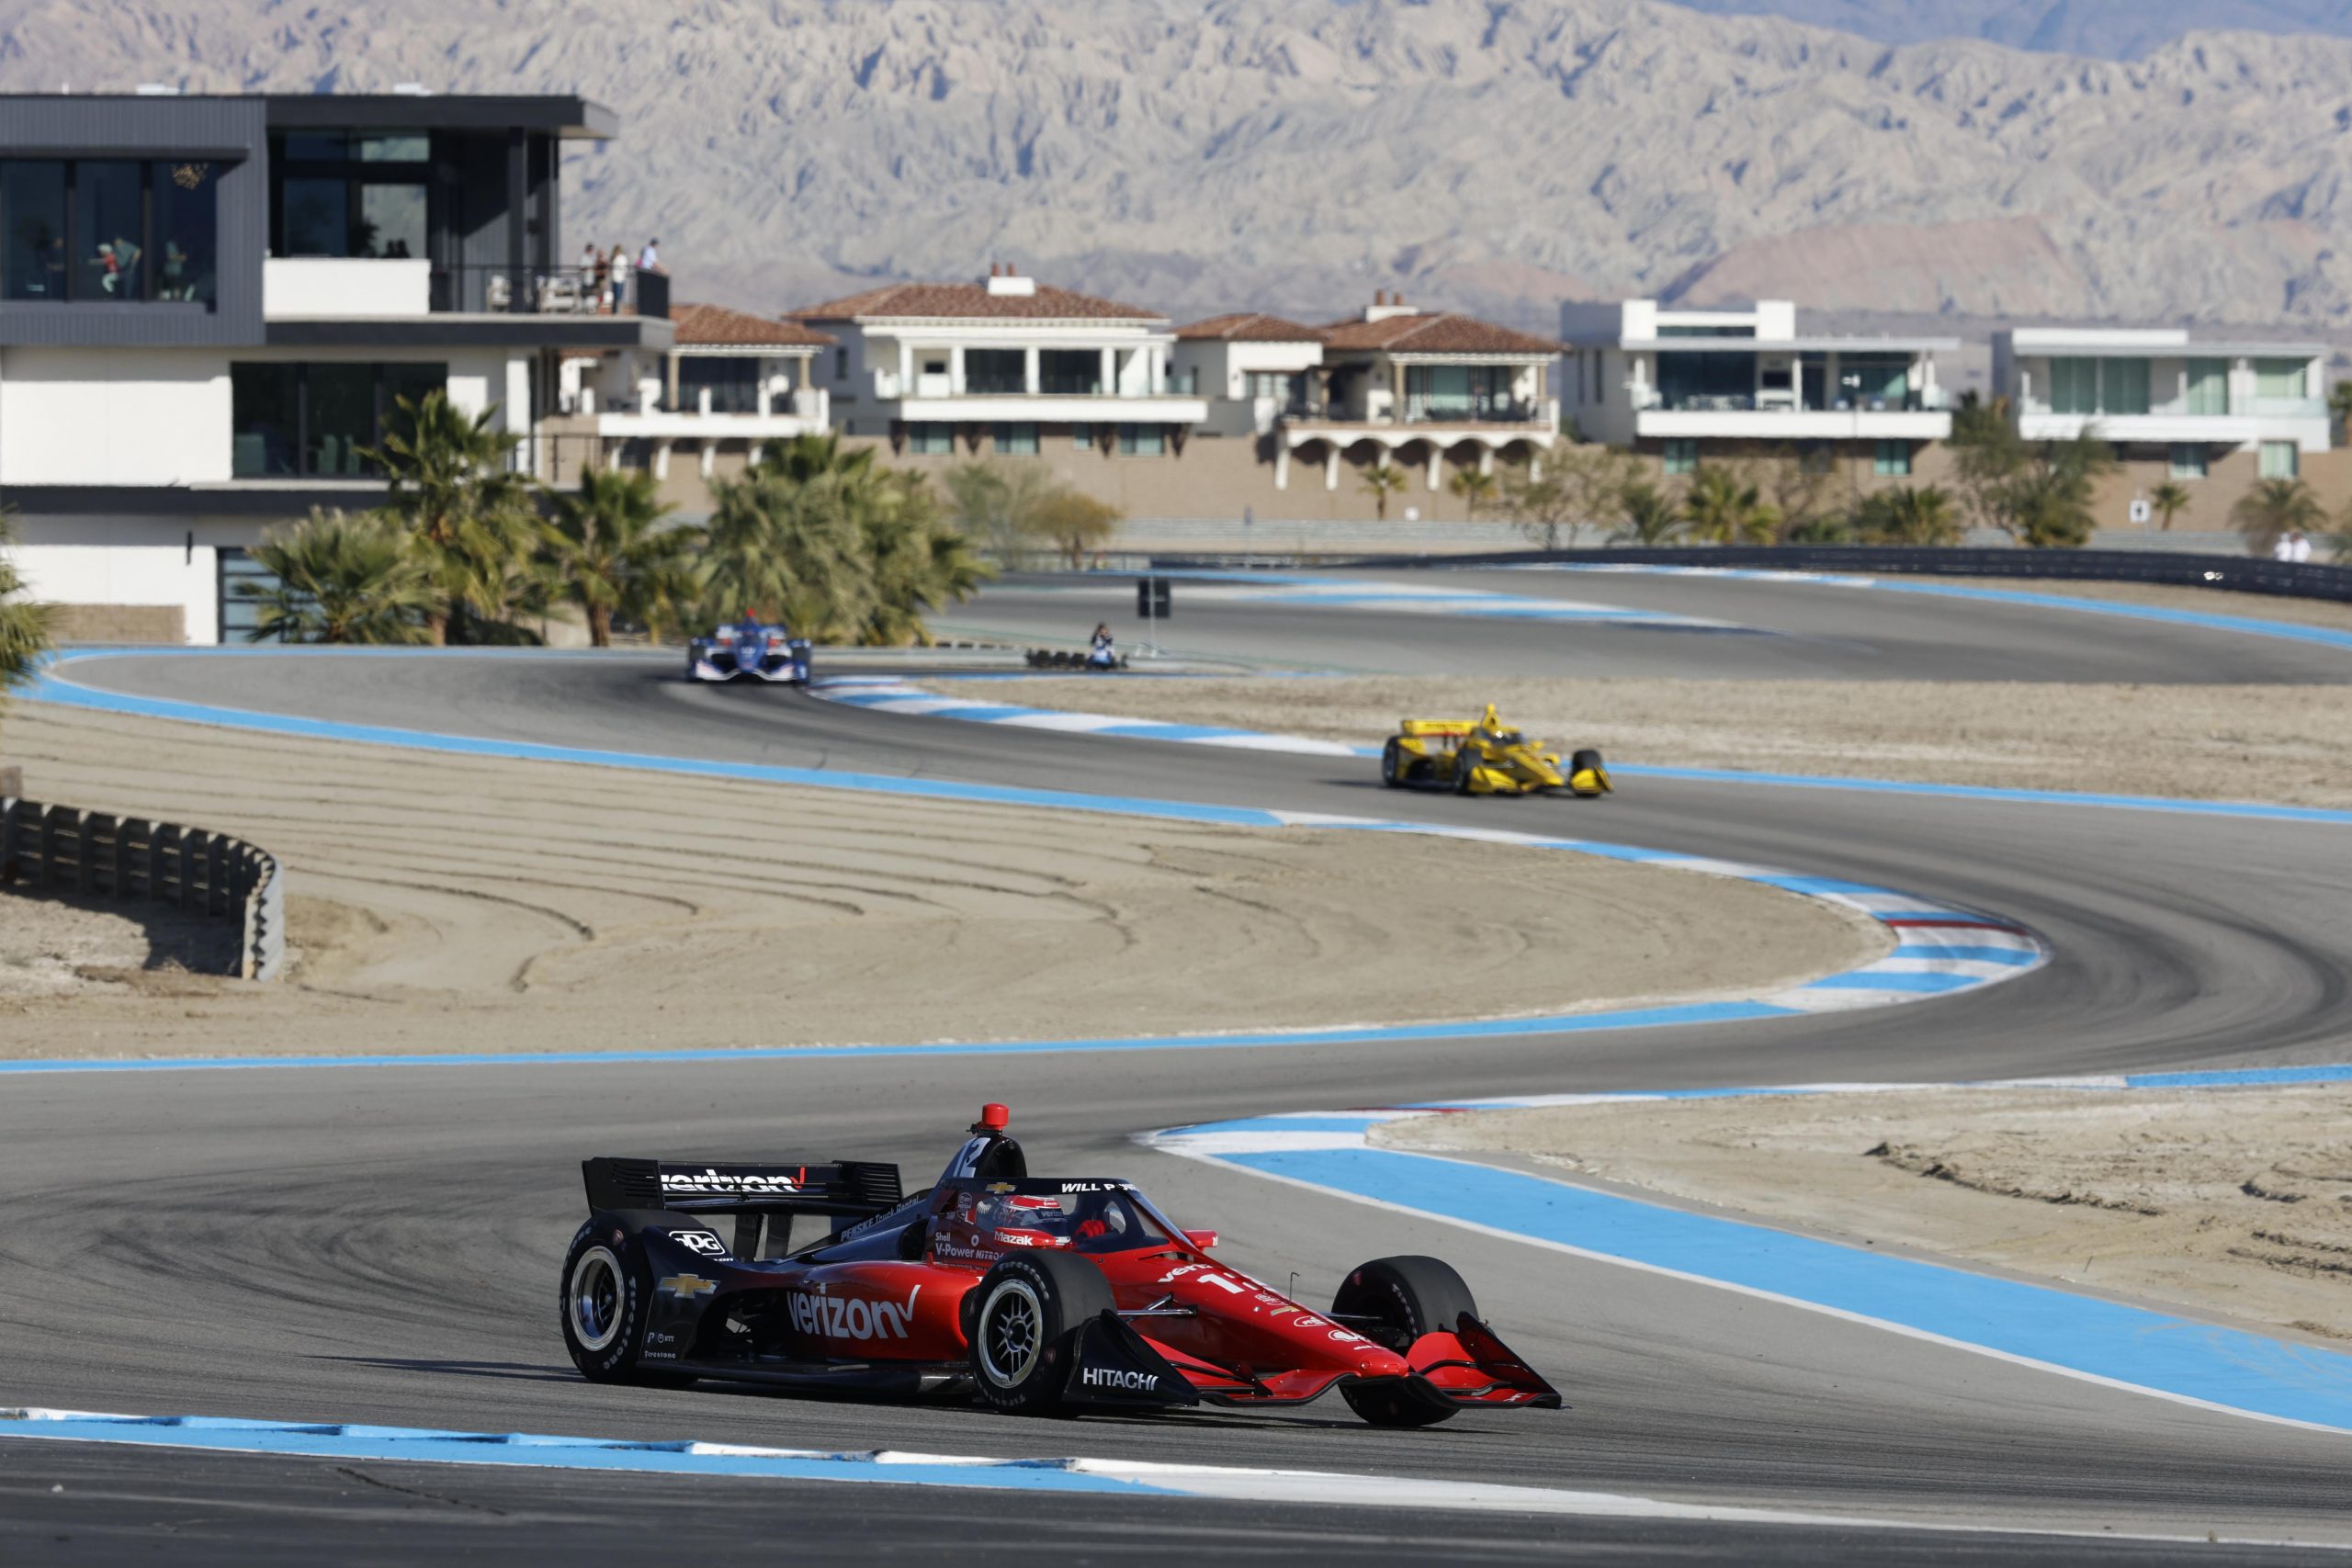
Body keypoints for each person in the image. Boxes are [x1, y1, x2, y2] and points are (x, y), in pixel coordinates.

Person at [607, 243, 629, 312]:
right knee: (616, 296)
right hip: (616, 279)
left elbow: (624, 268)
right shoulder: (614, 258)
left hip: (619, 279)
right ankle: (616, 311)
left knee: (618, 296)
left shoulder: (621, 258)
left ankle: (617, 311)